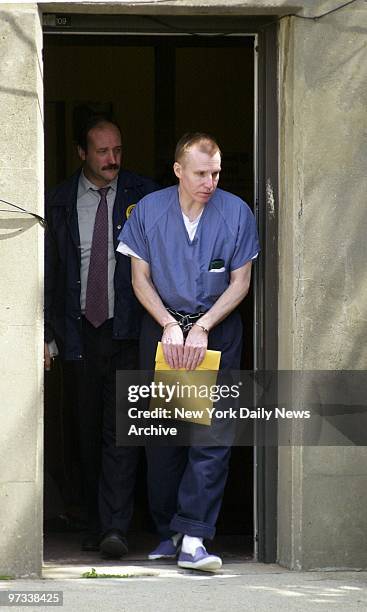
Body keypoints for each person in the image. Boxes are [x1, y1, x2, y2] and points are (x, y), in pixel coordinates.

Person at [118, 132, 260, 571]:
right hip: (164, 333)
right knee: (165, 437)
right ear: (178, 170)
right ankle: (170, 531)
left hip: (215, 332)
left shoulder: (237, 212)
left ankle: (196, 536)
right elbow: (139, 278)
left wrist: (202, 326)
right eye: (200, 173)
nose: (209, 182)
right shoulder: (148, 211)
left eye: (215, 172)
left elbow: (241, 281)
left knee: (211, 437)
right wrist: (167, 324)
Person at [44, 115, 158, 556]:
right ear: (81, 153)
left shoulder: (144, 195)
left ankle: (115, 527)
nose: (112, 160)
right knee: (85, 431)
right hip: (77, 334)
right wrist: (44, 331)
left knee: (122, 431)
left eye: (118, 150)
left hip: (128, 330)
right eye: (102, 152)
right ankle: (94, 521)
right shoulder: (58, 201)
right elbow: (51, 271)